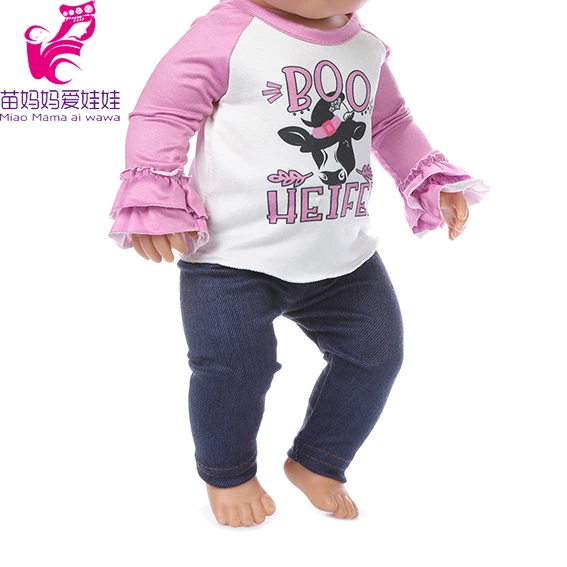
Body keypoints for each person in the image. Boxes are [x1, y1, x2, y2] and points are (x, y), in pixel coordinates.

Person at [108, 0, 489, 527]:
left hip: (342, 255)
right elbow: (163, 113)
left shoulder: (364, 47)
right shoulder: (227, 34)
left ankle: (319, 460)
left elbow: (390, 123)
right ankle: (228, 474)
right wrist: (156, 194)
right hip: (234, 257)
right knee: (235, 369)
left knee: (376, 354)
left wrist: (427, 178)